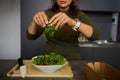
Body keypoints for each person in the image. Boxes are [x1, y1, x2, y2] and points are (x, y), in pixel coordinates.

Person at [27, 0, 99, 60]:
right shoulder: (47, 14)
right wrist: (34, 21)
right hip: (51, 59)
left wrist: (73, 23)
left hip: (73, 60)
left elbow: (95, 36)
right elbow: (31, 36)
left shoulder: (79, 15)